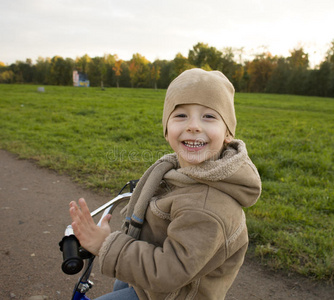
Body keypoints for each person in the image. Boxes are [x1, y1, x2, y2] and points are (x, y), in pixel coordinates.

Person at [69, 68, 262, 300]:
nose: (194, 126)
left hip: (171, 293)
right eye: (181, 115)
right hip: (147, 283)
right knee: (123, 284)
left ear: (228, 132)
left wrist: (104, 245)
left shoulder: (208, 207)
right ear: (167, 128)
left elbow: (168, 273)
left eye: (209, 116)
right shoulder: (176, 171)